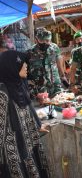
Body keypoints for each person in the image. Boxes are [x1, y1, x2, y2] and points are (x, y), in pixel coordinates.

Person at [0, 49, 50, 177]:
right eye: (22, 63)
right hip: (14, 151)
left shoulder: (19, 84)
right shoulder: (2, 93)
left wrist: (38, 125)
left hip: (28, 142)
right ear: (12, 66)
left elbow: (29, 109)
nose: (26, 65)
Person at [26, 28, 65, 99]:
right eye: (42, 40)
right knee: (42, 107)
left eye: (47, 40)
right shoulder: (30, 52)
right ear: (36, 39)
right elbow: (26, 70)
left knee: (60, 102)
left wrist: (63, 76)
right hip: (40, 86)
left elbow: (59, 63)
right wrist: (29, 84)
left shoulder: (54, 48)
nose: (45, 43)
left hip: (55, 83)